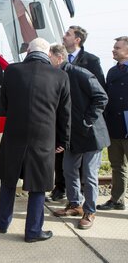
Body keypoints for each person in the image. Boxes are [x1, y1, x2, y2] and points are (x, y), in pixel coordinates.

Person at [0, 38, 71, 243]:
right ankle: (33, 231)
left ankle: (3, 223)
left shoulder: (12, 71)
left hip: (14, 134)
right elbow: (64, 114)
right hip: (44, 138)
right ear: (47, 54)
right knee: (38, 185)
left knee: (9, 180)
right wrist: (62, 140)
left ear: (28, 51)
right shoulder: (61, 76)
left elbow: (3, 104)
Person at [50, 44, 110, 229]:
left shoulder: (79, 73)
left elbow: (102, 97)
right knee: (68, 170)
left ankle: (90, 211)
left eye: (49, 57)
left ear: (59, 58)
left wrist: (87, 121)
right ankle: (75, 205)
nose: (47, 61)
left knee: (90, 175)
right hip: (72, 136)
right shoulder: (55, 77)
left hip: (91, 134)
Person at [97, 36, 128, 211]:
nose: (114, 50)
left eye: (117, 47)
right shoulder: (112, 72)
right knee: (117, 165)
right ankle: (117, 200)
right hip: (114, 127)